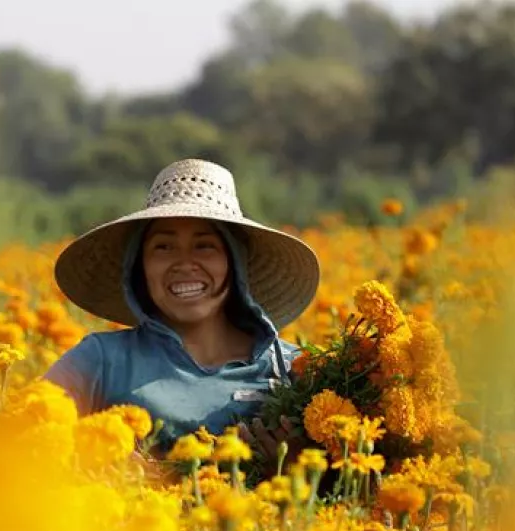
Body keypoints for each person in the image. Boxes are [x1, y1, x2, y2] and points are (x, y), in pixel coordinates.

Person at [45, 158, 320, 464]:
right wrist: (98, 465)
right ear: (139, 266)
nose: (185, 263)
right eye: (163, 247)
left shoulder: (293, 370)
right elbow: (20, 443)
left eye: (204, 246)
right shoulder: (100, 361)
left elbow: (351, 476)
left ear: (234, 262)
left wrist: (300, 469)